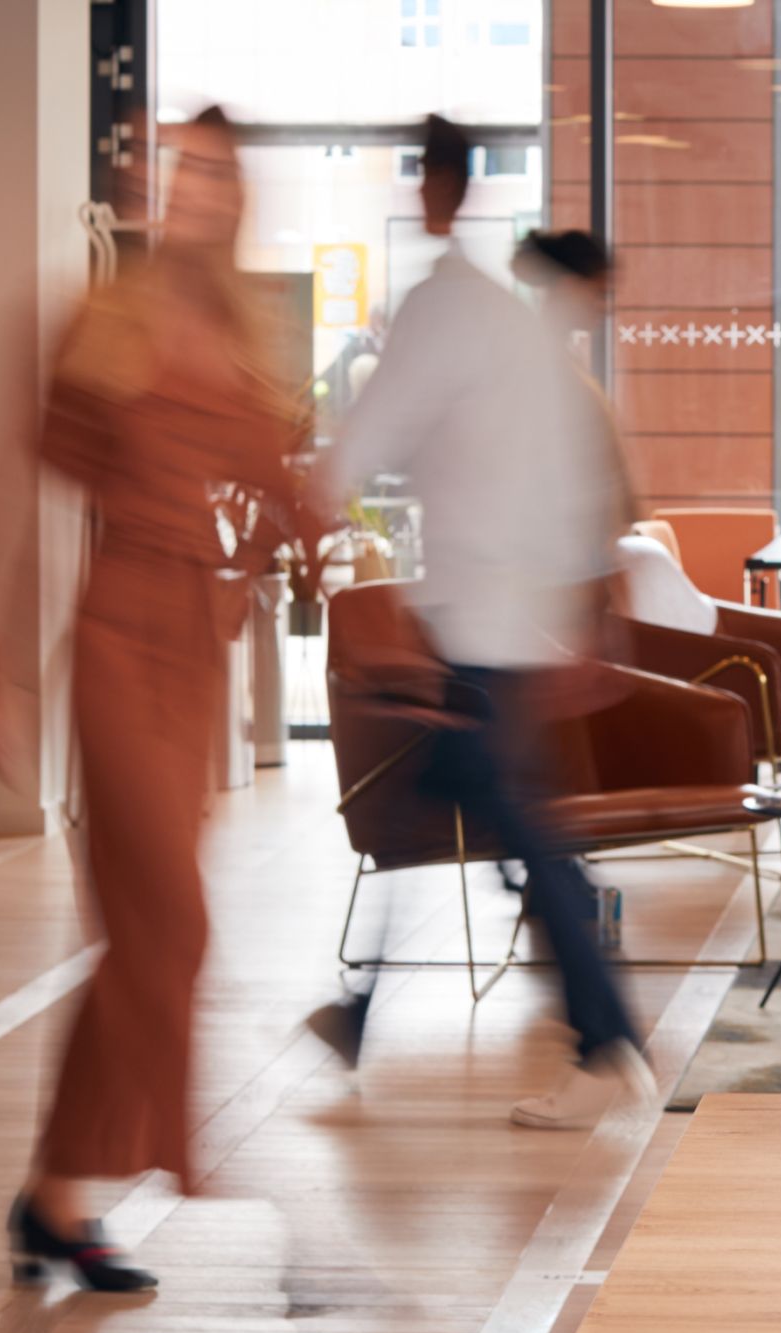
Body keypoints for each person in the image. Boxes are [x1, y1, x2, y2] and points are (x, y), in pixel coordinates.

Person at [0, 107, 319, 1293]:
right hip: (116, 638)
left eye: (219, 174)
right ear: (153, 187)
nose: (200, 191)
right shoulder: (96, 321)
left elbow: (282, 487)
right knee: (170, 919)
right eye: (184, 171)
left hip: (193, 656)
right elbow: (13, 491)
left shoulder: (246, 337)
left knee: (149, 932)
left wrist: (305, 553)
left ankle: (57, 1195)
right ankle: (102, 1173)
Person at [313, 117, 648, 1129]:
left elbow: (372, 434)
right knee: (449, 804)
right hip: (486, 617)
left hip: (486, 623)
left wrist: (310, 501)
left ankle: (603, 1040)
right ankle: (363, 1011)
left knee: (519, 830)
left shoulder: (451, 310)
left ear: (435, 188)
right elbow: (572, 489)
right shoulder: (505, 331)